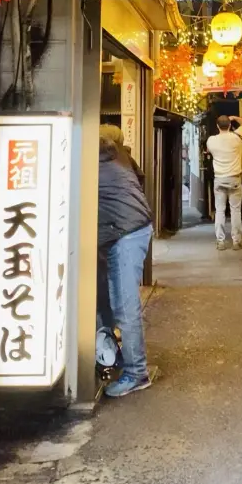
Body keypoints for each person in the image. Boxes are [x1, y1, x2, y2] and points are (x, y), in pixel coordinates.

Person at [98, 134, 154, 397]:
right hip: (129, 227)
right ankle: (122, 359)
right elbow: (140, 178)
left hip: (125, 232)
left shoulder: (90, 160)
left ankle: (136, 373)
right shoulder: (119, 154)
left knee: (124, 304)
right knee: (114, 299)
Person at [206, 114, 242, 250]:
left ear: (217, 126)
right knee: (235, 210)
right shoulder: (237, 138)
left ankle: (220, 241)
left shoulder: (211, 140)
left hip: (219, 179)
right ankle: (236, 241)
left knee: (219, 210)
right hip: (234, 178)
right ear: (229, 125)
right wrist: (235, 118)